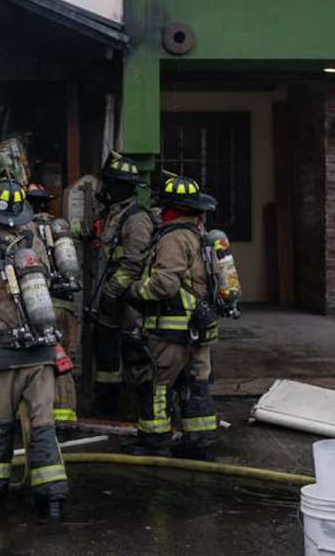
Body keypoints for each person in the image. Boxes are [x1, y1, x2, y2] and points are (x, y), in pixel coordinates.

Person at [0, 176, 69, 520]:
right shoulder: (33, 246)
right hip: (40, 355)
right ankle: (52, 502)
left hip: (1, 356)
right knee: (44, 428)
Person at [124, 174, 227, 460]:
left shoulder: (174, 238)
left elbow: (165, 284)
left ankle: (153, 442)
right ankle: (200, 442)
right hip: (198, 327)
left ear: (170, 208)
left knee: (156, 385)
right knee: (196, 385)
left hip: (171, 330)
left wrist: (134, 290)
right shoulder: (198, 235)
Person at [92, 152, 156, 415]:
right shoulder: (114, 214)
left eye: (109, 183)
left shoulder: (136, 218)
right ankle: (108, 406)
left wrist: (112, 291)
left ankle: (141, 410)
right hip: (111, 301)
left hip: (129, 300)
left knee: (134, 352)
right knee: (105, 350)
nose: (105, 189)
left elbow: (133, 263)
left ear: (122, 187)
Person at [25, 182, 81, 424]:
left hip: (41, 307)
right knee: (64, 361)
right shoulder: (60, 230)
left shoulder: (24, 231)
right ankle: (66, 418)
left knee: (41, 364)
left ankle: (44, 419)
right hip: (66, 307)